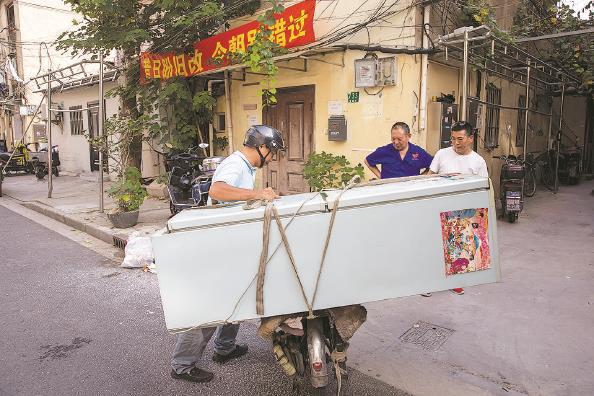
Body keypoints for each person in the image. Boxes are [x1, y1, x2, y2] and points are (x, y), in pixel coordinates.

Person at [170, 125, 284, 383]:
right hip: (217, 246)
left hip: (230, 244)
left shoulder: (245, 167)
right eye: (273, 152)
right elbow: (217, 191)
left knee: (238, 294)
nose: (272, 158)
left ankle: (224, 348)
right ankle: (182, 365)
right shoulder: (236, 164)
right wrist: (258, 194)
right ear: (262, 147)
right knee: (210, 306)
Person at [426, 120, 488, 296]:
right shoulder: (442, 154)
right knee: (434, 246)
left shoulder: (478, 161)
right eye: (452, 139)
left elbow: (482, 188)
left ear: (470, 138)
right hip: (438, 206)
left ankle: (455, 281)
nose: (455, 143)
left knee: (457, 247)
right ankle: (429, 282)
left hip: (464, 210)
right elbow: (430, 177)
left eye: (460, 139)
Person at [364, 122, 433, 179]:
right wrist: (381, 177)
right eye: (393, 139)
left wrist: (420, 178)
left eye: (399, 139)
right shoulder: (385, 151)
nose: (396, 142)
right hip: (389, 190)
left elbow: (433, 166)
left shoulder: (418, 151)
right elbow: (367, 161)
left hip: (410, 191)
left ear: (408, 136)